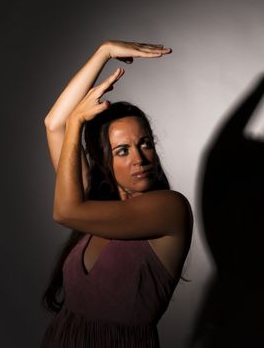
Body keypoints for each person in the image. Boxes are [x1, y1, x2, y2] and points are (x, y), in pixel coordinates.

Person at [40, 40, 193, 347]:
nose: (139, 158)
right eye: (122, 150)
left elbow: (64, 212)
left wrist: (76, 123)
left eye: (145, 143)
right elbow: (53, 123)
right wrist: (103, 52)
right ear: (103, 161)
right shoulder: (97, 205)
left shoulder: (169, 209)